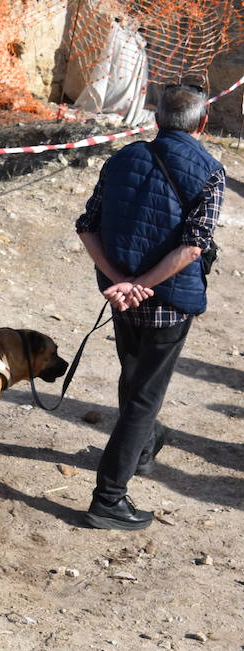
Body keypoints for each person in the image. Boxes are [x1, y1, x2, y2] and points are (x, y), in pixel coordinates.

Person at [75, 82, 225, 530]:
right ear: (203, 123)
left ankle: (141, 449)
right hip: (167, 302)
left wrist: (122, 283)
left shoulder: (121, 158)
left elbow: (87, 227)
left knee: (133, 379)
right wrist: (138, 283)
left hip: (122, 298)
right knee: (143, 397)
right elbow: (193, 248)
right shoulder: (211, 171)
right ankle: (109, 499)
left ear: (156, 119)